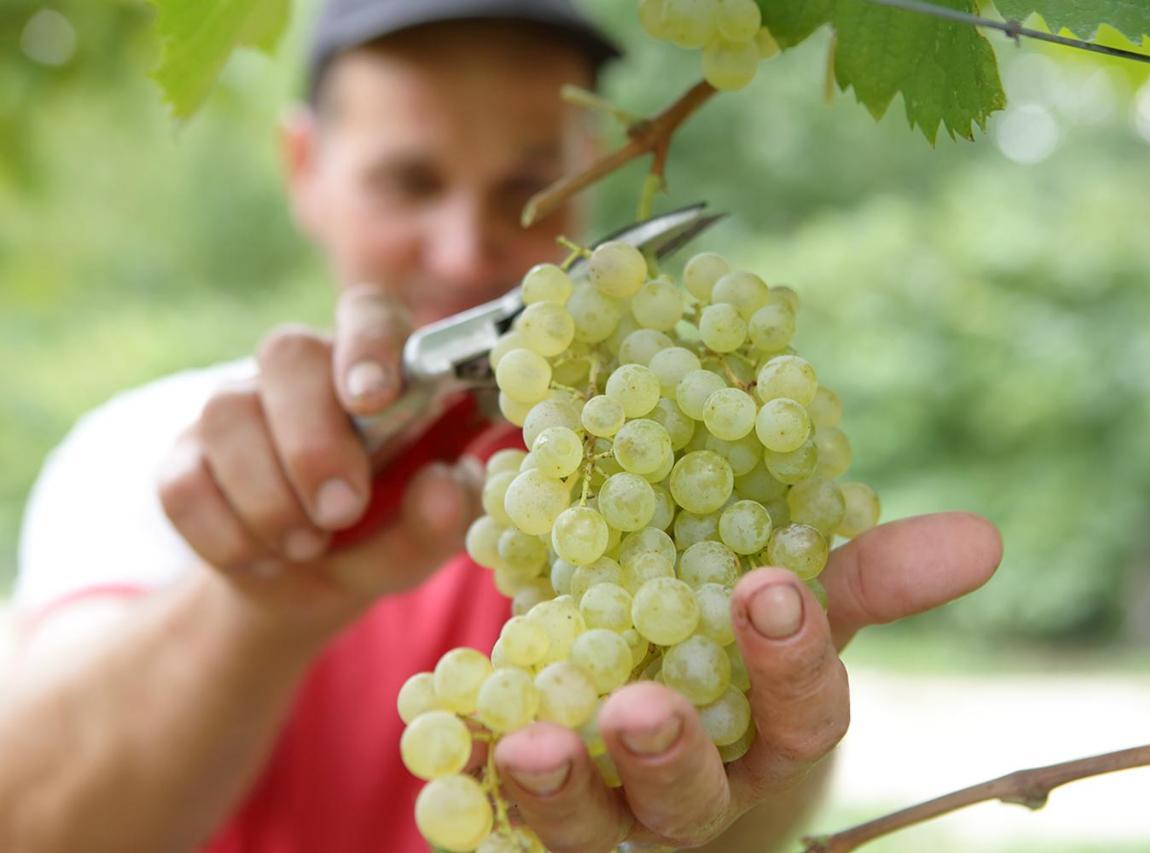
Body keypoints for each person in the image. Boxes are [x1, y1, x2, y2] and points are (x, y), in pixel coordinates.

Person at [0, 1, 1004, 851]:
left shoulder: (664, 460)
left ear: (597, 160)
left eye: (526, 189)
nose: (464, 247)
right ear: (303, 165)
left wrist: (740, 789)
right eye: (409, 181)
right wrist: (259, 606)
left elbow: (739, 795)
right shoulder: (158, 451)